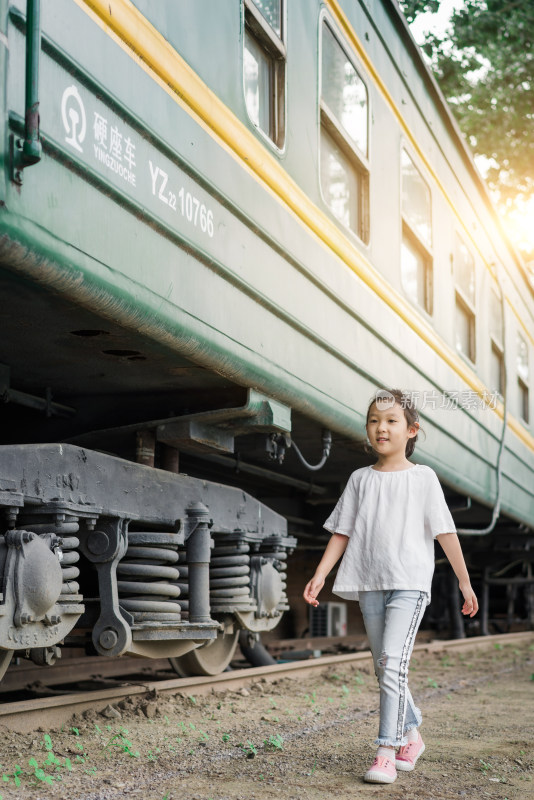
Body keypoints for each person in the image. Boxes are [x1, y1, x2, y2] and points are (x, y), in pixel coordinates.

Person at [303, 388, 478, 785]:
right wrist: (320, 574)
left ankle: (387, 749)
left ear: (412, 429)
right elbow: (342, 532)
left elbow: (445, 533)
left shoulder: (423, 478)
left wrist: (465, 583)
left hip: (410, 583)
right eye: (373, 421)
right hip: (369, 581)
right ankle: (412, 736)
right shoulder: (360, 479)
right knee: (385, 667)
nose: (381, 428)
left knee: (392, 664)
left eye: (391, 421)